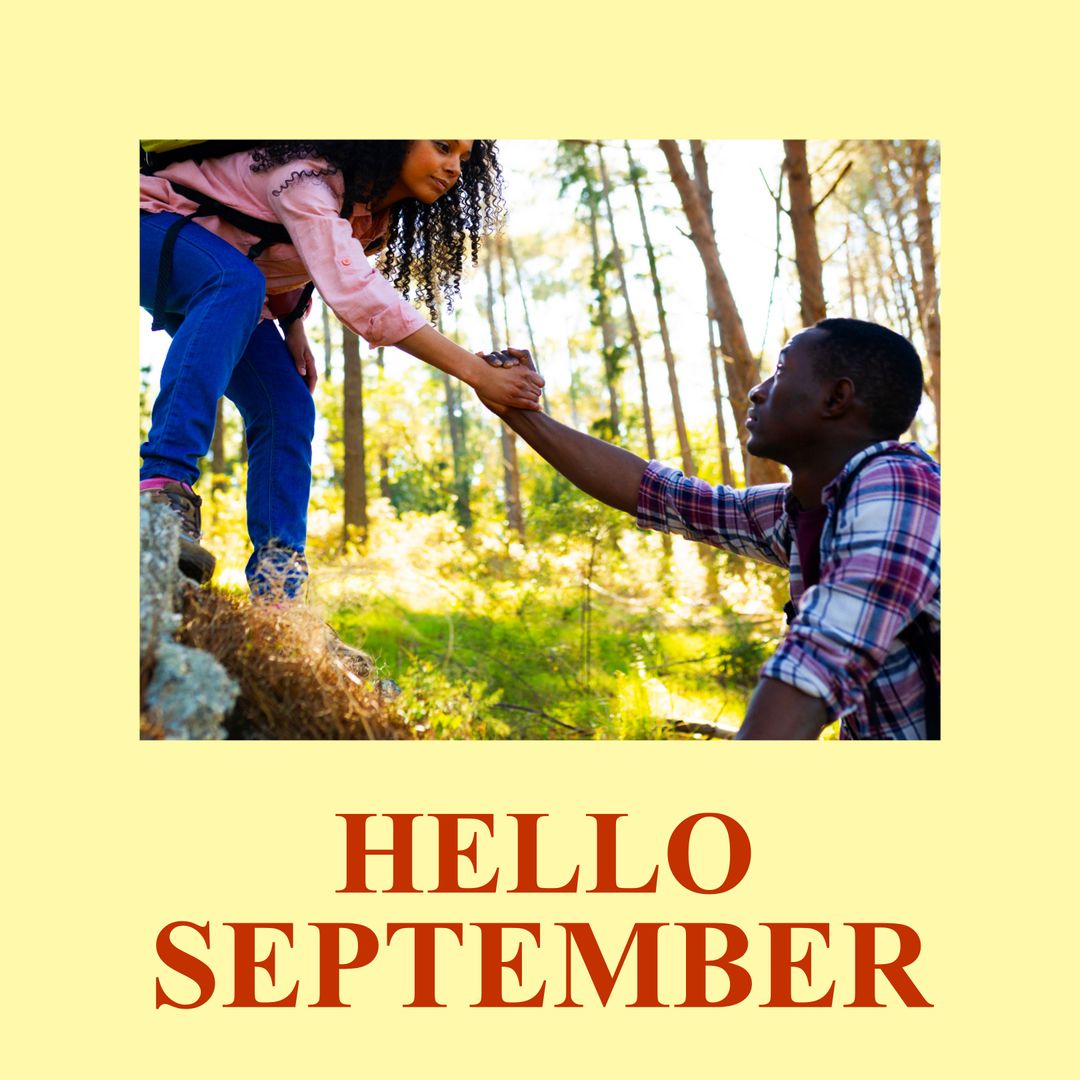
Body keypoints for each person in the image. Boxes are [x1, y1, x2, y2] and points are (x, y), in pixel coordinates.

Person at [478, 318, 940, 740]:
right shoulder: (801, 512)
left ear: (836, 398)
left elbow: (822, 659)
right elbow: (665, 495)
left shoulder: (901, 489)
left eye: (780, 371)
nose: (757, 391)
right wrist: (520, 411)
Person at [140, 140, 544, 597]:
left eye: (462, 160)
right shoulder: (306, 179)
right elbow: (359, 293)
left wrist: (292, 323)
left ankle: (279, 589)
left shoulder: (371, 215)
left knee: (287, 405)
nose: (452, 167)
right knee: (236, 281)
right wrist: (478, 372)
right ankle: (160, 493)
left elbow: (283, 252)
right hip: (147, 226)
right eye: (443, 146)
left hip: (215, 275)